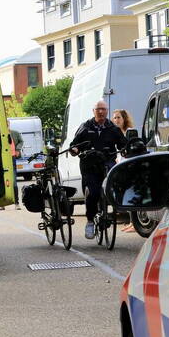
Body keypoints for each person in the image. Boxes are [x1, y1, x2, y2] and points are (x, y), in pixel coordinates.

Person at [69, 100, 126, 239]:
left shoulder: (113, 128)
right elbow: (74, 145)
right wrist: (75, 149)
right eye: (98, 109)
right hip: (90, 165)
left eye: (103, 109)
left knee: (111, 190)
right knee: (93, 192)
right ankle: (90, 221)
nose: (101, 112)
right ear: (93, 111)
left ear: (107, 111)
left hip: (107, 164)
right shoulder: (86, 127)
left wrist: (128, 149)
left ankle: (108, 213)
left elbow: (123, 144)